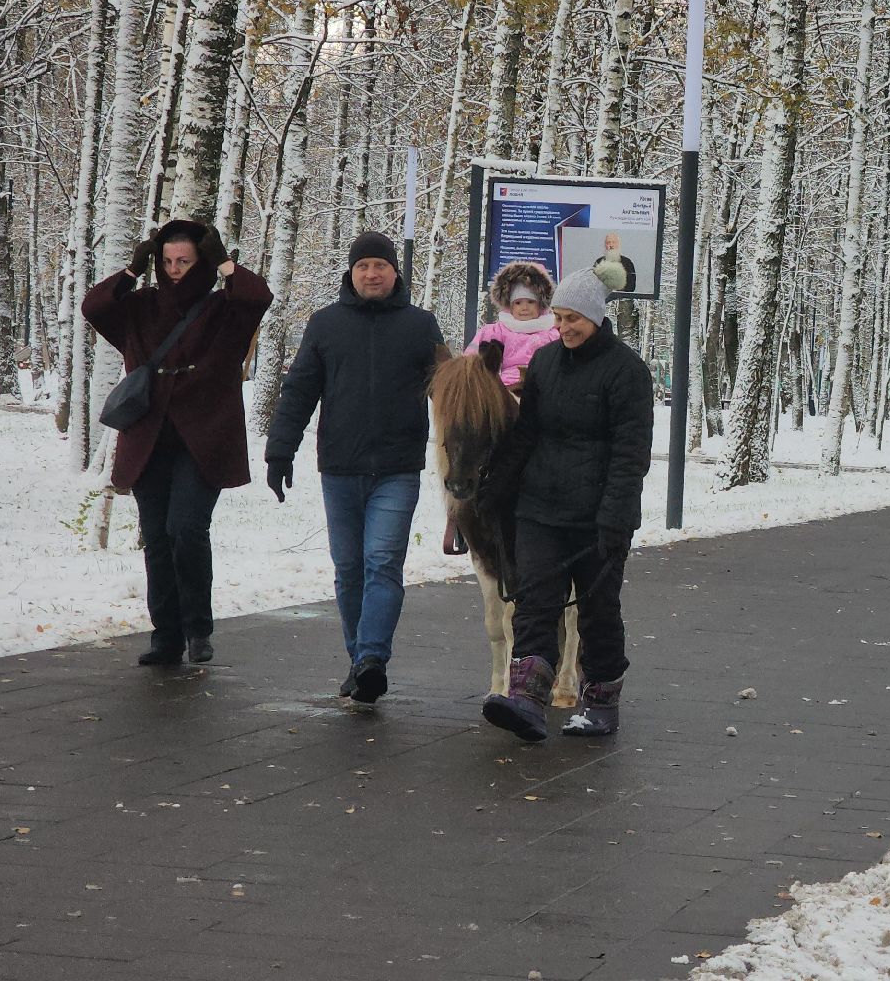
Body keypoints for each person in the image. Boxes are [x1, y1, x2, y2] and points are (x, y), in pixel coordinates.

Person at [265, 231, 450, 704]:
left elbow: (450, 394)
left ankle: (371, 656)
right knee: (348, 569)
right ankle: (359, 663)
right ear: (351, 272)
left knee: (382, 563)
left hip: (397, 467)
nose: (372, 274)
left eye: (381, 266)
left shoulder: (421, 325)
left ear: (395, 273)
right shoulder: (325, 324)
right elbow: (300, 391)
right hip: (341, 467)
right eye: (364, 265)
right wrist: (279, 451)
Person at [82, 220, 272, 666]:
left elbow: (258, 296)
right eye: (166, 261)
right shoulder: (141, 307)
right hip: (148, 438)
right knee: (157, 537)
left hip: (203, 439)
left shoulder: (225, 309)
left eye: (184, 261)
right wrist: (131, 271)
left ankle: (197, 629)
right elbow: (94, 307)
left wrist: (224, 261)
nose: (174, 270)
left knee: (185, 529)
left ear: (201, 261)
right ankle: (165, 635)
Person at [479, 269, 653, 741]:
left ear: (596, 317)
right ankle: (528, 699)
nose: (564, 327)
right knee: (535, 603)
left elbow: (630, 453)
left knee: (598, 609)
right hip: (540, 508)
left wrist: (616, 517)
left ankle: (600, 700)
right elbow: (527, 433)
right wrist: (494, 487)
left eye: (573, 318)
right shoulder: (547, 363)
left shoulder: (627, 372)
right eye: (559, 317)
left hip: (598, 515)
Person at [465, 261, 562, 392]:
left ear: (540, 304)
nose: (525, 308)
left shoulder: (552, 332)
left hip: (543, 386)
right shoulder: (496, 331)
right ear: (509, 306)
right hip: (503, 389)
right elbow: (472, 359)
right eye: (518, 303)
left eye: (531, 302)